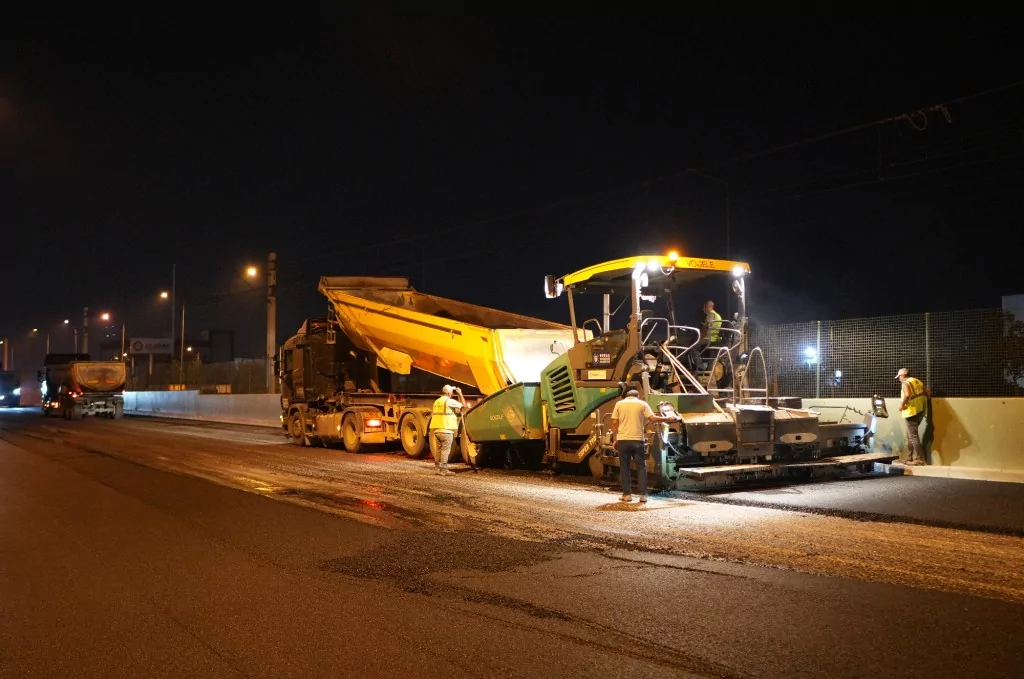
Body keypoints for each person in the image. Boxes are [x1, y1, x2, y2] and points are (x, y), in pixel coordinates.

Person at [610, 388, 681, 503]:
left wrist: (615, 438)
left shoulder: (619, 404)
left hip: (623, 440)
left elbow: (614, 422)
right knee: (641, 467)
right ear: (637, 396)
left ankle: (627, 495)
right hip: (638, 440)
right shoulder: (642, 404)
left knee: (624, 467)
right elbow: (652, 418)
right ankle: (643, 495)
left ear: (627, 396)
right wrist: (669, 418)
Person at [428, 384, 466, 476]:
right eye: (452, 392)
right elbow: (463, 405)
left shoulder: (437, 401)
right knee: (445, 450)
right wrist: (460, 394)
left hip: (436, 430)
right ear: (449, 393)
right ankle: (444, 469)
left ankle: (438, 468)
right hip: (446, 430)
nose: (452, 393)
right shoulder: (449, 401)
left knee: (438, 450)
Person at [896, 368, 931, 465]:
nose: (899, 379)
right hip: (920, 411)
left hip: (911, 412)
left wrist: (901, 405)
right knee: (910, 435)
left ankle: (920, 459)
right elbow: (928, 393)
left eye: (899, 377)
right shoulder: (917, 381)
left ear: (902, 376)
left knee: (913, 436)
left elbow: (907, 395)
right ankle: (909, 457)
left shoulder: (906, 383)